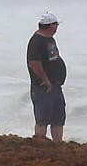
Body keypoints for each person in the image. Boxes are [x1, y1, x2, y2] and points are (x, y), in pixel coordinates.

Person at [26, 11, 67, 143]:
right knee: (42, 118)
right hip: (43, 87)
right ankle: (40, 145)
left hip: (55, 85)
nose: (57, 27)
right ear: (50, 26)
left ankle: (58, 145)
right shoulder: (36, 42)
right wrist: (46, 81)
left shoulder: (49, 39)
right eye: (56, 24)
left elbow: (54, 57)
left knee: (58, 118)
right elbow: (34, 64)